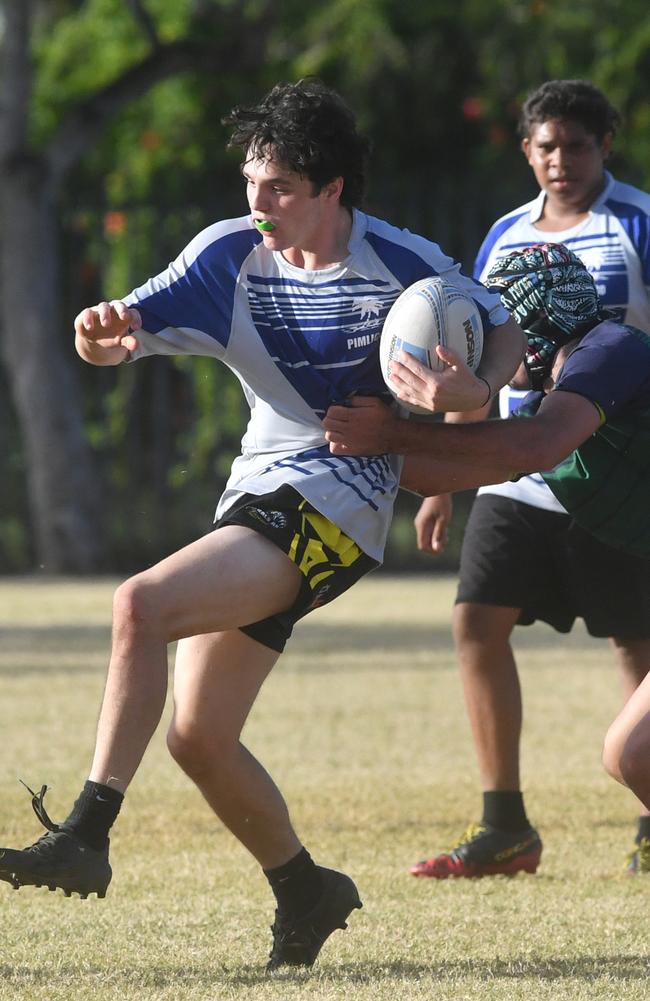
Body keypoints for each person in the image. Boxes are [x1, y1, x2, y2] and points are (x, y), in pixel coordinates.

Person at [0, 80, 523, 970]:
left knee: (139, 603)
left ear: (330, 190)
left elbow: (498, 334)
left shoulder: (402, 263)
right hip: (260, 494)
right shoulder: (227, 255)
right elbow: (118, 336)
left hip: (343, 502)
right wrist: (101, 333)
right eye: (251, 182)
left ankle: (86, 833)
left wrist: (470, 395)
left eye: (278, 186)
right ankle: (306, 888)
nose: (258, 203)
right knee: (198, 734)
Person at [323, 242, 650, 875]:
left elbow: (536, 444)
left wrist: (391, 434)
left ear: (533, 318)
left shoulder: (608, 351)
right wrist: (335, 442)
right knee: (630, 756)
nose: (487, 341)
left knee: (632, 753)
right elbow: (455, 463)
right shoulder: (554, 395)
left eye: (495, 323)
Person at [408, 80, 650, 879]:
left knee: (634, 637)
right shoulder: (505, 236)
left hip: (608, 461)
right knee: (476, 621)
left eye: (576, 145)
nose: (560, 160)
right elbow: (475, 354)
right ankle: (504, 823)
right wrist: (444, 474)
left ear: (603, 146)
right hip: (519, 467)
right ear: (526, 151)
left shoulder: (638, 224)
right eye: (546, 145)